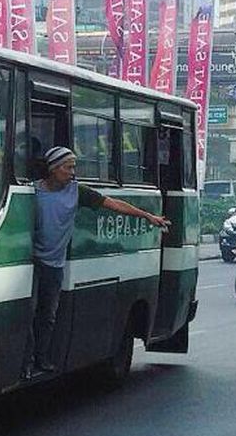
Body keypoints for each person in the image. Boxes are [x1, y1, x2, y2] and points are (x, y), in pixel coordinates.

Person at [21, 146, 170, 380]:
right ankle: (26, 363)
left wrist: (147, 216)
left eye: (73, 167)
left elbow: (113, 204)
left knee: (47, 315)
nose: (72, 172)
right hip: (30, 263)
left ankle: (41, 358)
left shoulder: (77, 191)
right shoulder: (31, 192)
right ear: (53, 168)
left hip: (54, 265)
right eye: (68, 167)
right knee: (28, 313)